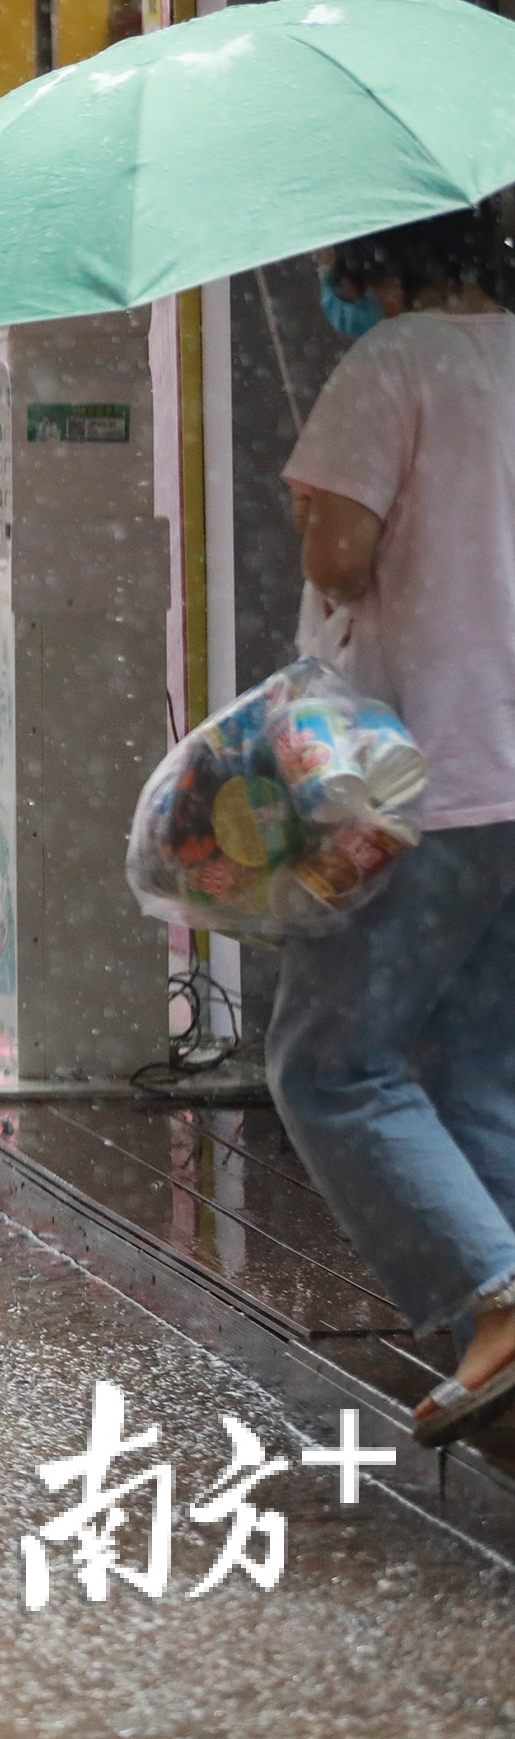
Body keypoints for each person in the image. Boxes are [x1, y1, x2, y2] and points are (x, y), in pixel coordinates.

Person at [272, 206, 515, 1446]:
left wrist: (314, 499)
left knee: (331, 1063)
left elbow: (343, 558)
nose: (326, 281)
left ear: (381, 257)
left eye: (333, 259)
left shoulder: (389, 365)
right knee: (475, 1065)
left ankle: (495, 1297)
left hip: (430, 777)